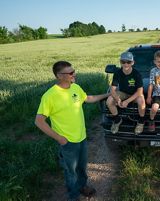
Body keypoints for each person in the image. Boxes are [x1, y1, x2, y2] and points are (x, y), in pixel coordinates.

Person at [35, 61, 110, 201]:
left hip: (82, 137)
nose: (74, 74)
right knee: (71, 172)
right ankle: (73, 196)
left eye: (73, 71)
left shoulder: (75, 87)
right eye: (70, 73)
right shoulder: (50, 96)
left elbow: (88, 98)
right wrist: (59, 138)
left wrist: (106, 95)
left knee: (82, 168)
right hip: (67, 142)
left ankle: (82, 186)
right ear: (59, 76)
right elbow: (39, 121)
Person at [106, 51, 146, 134]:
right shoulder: (118, 73)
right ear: (120, 62)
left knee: (141, 101)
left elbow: (140, 91)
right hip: (123, 93)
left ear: (133, 63)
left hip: (135, 94)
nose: (126, 64)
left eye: (128, 62)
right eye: (123, 62)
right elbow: (112, 89)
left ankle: (141, 122)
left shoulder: (136, 74)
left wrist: (127, 101)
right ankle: (117, 120)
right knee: (109, 100)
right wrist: (118, 100)